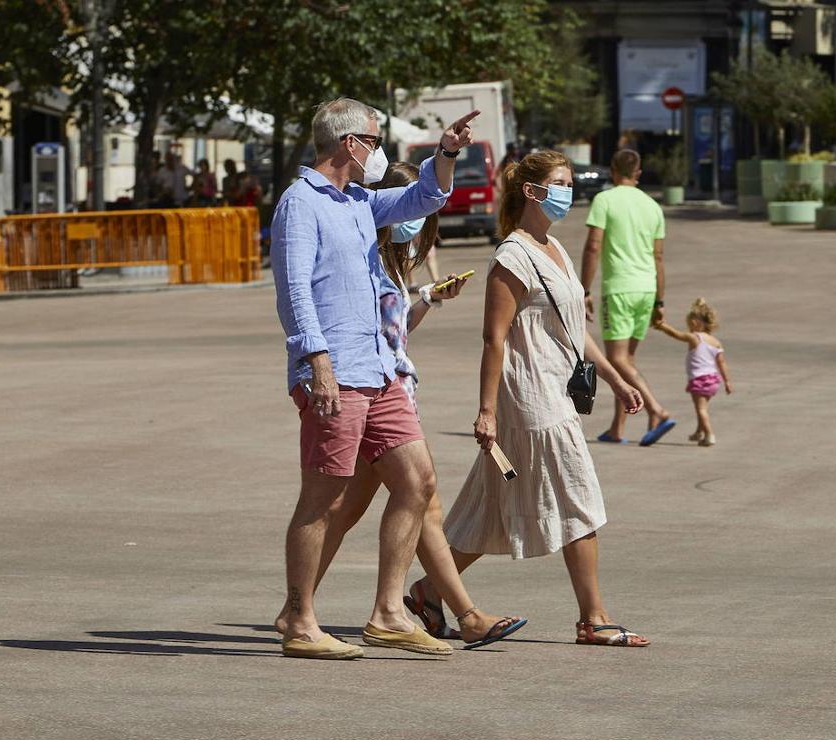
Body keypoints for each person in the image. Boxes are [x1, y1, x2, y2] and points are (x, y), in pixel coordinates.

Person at [274, 161, 526, 650]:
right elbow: (295, 290)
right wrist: (317, 361)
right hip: (344, 378)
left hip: (386, 383)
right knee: (334, 503)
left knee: (407, 490)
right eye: (370, 140)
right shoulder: (327, 215)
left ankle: (389, 611)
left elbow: (391, 331)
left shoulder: (385, 255)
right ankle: (310, 615)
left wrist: (427, 296)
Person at [438, 149, 652, 648]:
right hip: (529, 395)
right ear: (532, 191)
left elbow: (573, 330)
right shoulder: (512, 255)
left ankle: (428, 592)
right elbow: (494, 339)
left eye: (570, 181)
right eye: (560, 182)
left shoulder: (553, 248)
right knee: (578, 495)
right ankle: (593, 618)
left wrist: (618, 380)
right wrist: (486, 411)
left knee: (494, 506)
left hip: (555, 386)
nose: (568, 190)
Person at [580, 148, 675, 447]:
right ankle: (617, 428)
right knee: (627, 360)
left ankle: (656, 410)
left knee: (617, 359)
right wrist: (659, 301)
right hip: (647, 288)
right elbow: (659, 257)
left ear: (612, 169)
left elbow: (593, 247)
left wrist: (583, 289)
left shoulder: (605, 200)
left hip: (619, 288)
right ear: (639, 173)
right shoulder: (652, 206)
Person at [651, 298, 733, 447]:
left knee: (701, 409)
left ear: (695, 322)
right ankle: (699, 432)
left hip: (699, 379)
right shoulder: (715, 341)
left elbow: (676, 334)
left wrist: (661, 326)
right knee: (703, 409)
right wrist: (727, 381)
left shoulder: (695, 337)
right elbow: (722, 363)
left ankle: (709, 435)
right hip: (713, 380)